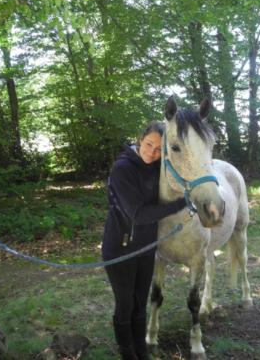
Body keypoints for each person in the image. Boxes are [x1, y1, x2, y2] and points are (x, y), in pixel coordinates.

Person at [102, 121, 187, 360]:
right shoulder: (123, 168)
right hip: (120, 248)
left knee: (141, 302)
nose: (152, 152)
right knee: (126, 304)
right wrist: (180, 204)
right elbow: (137, 215)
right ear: (140, 139)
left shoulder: (159, 166)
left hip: (147, 246)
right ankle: (127, 353)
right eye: (149, 144)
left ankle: (141, 349)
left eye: (159, 149)